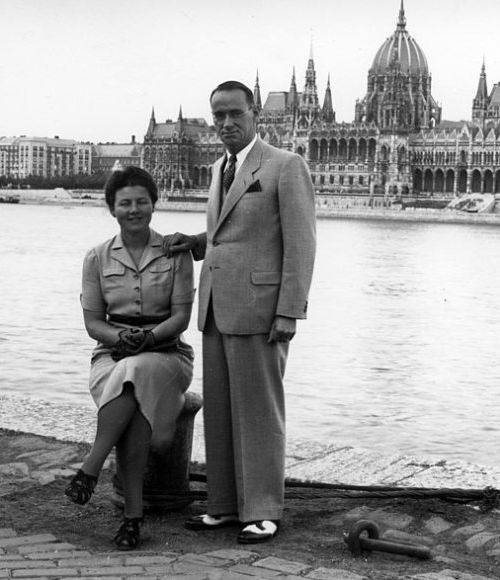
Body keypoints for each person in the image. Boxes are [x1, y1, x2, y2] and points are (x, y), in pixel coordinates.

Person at [165, 80, 316, 544]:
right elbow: (228, 230)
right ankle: (225, 506)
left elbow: (302, 243)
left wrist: (289, 311)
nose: (226, 124)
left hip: (260, 310)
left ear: (256, 115)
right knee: (223, 414)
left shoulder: (285, 166)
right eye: (218, 117)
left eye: (235, 114)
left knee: (259, 414)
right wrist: (196, 243)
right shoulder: (218, 168)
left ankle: (263, 509)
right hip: (216, 307)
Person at [65, 165, 195, 550]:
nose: (134, 209)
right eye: (125, 203)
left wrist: (149, 338)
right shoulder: (96, 258)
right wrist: (123, 338)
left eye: (141, 201)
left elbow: (181, 318)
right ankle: (132, 518)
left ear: (154, 204)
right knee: (131, 385)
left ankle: (91, 469)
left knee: (133, 372)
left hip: (169, 355)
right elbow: (93, 323)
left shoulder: (176, 253)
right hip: (111, 355)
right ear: (113, 209)